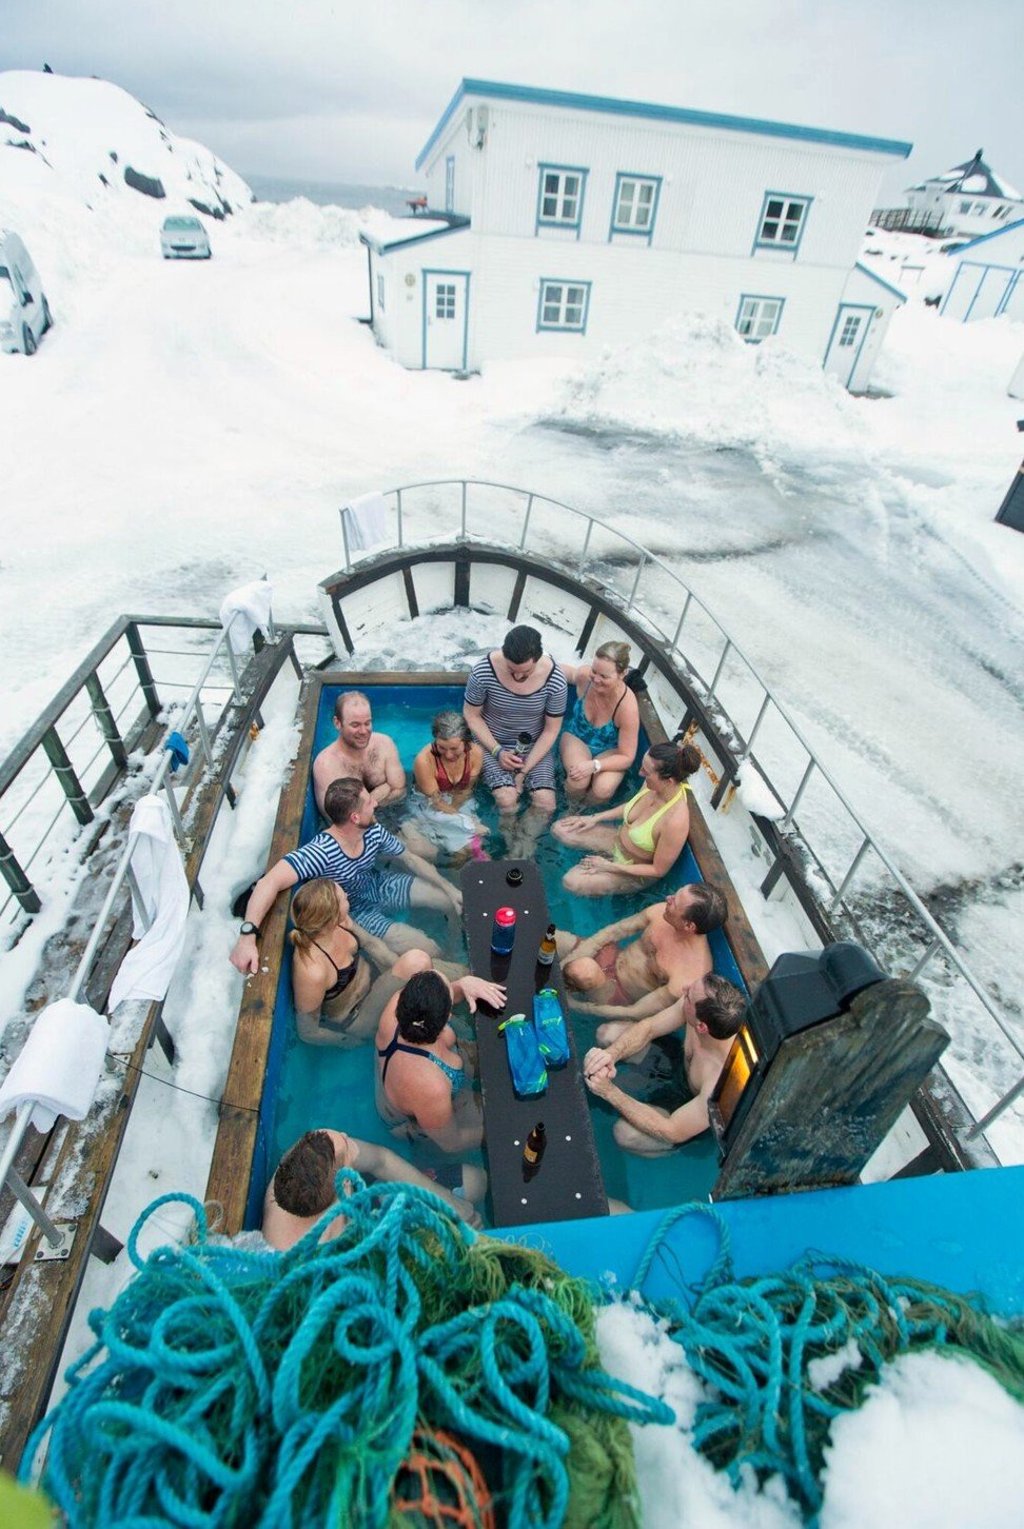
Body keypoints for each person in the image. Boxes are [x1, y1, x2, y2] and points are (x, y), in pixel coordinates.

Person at [230, 778, 462, 970]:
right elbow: (269, 882)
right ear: (354, 817)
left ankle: (455, 950)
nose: (375, 804)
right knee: (429, 948)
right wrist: (247, 936)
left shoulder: (372, 829)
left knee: (447, 901)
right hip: (353, 912)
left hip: (378, 884)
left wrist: (448, 887)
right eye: (369, 802)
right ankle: (445, 967)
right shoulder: (321, 852)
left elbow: (409, 858)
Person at [584, 974, 746, 1153]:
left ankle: (670, 1151)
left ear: (701, 1027)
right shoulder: (699, 1006)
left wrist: (609, 1092)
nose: (684, 989)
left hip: (683, 1103)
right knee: (607, 1034)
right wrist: (610, 1055)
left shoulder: (720, 1082)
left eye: (688, 997)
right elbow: (650, 1027)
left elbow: (672, 1130)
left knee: (625, 1134)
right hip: (675, 1060)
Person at [262, 1127, 481, 1250]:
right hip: (364, 1245)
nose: (346, 1137)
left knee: (475, 1181)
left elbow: (382, 1161)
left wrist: (448, 1203)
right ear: (343, 1182)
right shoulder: (293, 1253)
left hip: (362, 1206)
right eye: (345, 1150)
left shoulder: (316, 1149)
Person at [375, 954, 505, 1155]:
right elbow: (452, 1143)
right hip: (409, 1121)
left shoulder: (400, 1005)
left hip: (423, 1070)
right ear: (447, 1019)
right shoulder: (430, 1087)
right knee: (501, 1112)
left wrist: (463, 984)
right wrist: (498, 1131)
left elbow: (438, 1000)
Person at [289, 878, 437, 1046]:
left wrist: (399, 969)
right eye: (342, 897)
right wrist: (348, 1042)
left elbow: (371, 944)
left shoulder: (341, 924)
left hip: (378, 980)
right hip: (359, 1015)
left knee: (429, 970)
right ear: (332, 916)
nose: (346, 894)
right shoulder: (312, 971)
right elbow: (308, 1032)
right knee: (417, 962)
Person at [463, 625, 567, 853]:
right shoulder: (483, 671)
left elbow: (551, 731)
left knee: (545, 803)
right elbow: (471, 716)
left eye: (525, 673)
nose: (518, 676)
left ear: (537, 660)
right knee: (507, 799)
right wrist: (497, 751)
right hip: (491, 742)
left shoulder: (555, 680)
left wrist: (524, 770)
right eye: (512, 670)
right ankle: (508, 842)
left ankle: (523, 845)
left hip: (534, 748)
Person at [553, 740, 701, 896]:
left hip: (634, 871)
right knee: (560, 829)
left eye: (647, 772)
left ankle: (608, 885)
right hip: (617, 841)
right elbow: (631, 806)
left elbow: (658, 870)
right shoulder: (654, 784)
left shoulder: (675, 821)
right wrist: (594, 818)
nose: (640, 773)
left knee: (571, 881)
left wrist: (609, 866)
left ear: (669, 781)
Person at [562, 883, 727, 1020]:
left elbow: (635, 1012)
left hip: (617, 991)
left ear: (689, 926)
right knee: (556, 938)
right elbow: (612, 932)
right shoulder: (661, 912)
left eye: (675, 902)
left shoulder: (690, 975)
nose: (668, 899)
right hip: (612, 956)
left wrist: (578, 1006)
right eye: (674, 895)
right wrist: (571, 958)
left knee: (586, 971)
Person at [401, 710, 487, 862]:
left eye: (454, 749)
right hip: (427, 804)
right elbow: (436, 802)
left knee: (467, 847)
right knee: (463, 846)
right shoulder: (424, 760)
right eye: (442, 748)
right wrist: (466, 822)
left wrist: (460, 815)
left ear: (466, 741)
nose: (448, 755)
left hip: (460, 799)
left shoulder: (476, 753)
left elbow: (466, 789)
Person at [560, 642, 640, 802]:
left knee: (603, 789)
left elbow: (627, 756)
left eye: (604, 676)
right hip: (576, 738)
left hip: (609, 751)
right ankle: (570, 808)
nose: (596, 679)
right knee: (578, 779)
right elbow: (562, 671)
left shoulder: (627, 708)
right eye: (594, 671)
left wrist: (594, 765)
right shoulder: (584, 677)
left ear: (622, 674)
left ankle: (582, 815)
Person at [312, 691, 405, 816]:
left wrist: (363, 805)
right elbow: (338, 820)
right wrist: (384, 789)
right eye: (355, 725)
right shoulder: (326, 765)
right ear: (337, 723)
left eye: (367, 723)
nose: (363, 731)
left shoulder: (384, 744)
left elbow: (400, 789)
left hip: (394, 813)